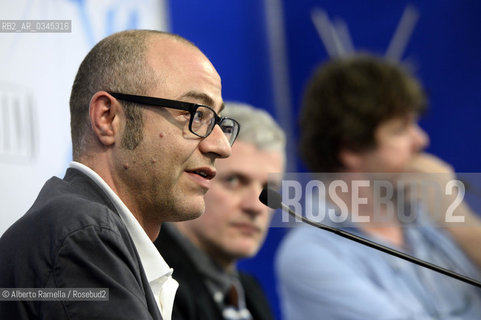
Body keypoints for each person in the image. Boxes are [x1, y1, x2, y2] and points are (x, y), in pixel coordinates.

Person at [0, 30, 240, 320]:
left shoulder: (81, 229)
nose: (221, 147)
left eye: (218, 121)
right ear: (107, 119)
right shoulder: (83, 236)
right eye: (196, 114)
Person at [275, 55, 481, 319]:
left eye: (414, 124)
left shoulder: (432, 217)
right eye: (400, 129)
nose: (421, 140)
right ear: (351, 148)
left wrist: (457, 218)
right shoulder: (310, 254)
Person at [155, 103, 285, 320]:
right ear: (191, 176)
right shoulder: (151, 280)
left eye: (268, 189)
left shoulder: (249, 290)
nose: (255, 206)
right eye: (234, 181)